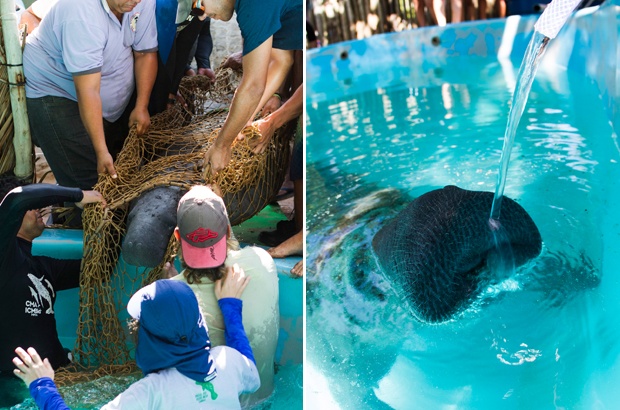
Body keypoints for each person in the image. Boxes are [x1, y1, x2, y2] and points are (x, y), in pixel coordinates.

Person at [12, 274, 260, 409]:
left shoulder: (150, 392)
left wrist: (42, 385)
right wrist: (230, 306)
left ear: (145, 340)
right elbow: (252, 371)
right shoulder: (229, 362)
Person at [22, 0, 158, 189]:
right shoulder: (80, 11)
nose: (137, 1)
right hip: (57, 91)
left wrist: (141, 106)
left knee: (108, 176)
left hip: (101, 98)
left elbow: (145, 54)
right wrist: (101, 151)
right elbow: (88, 90)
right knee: (87, 184)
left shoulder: (139, 1)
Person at [168, 185, 279, 406]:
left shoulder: (171, 299)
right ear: (228, 231)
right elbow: (232, 254)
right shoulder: (264, 262)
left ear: (177, 236)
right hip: (267, 400)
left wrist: (170, 284)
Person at [0, 176, 104, 405]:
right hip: (15, 388)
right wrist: (79, 195)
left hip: (61, 375)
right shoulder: (3, 258)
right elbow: (18, 197)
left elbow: (99, 268)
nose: (38, 208)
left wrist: (105, 219)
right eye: (31, 207)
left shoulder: (45, 266)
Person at [201, 0, 303, 174]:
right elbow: (281, 61)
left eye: (198, 5)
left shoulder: (253, 6)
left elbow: (253, 86)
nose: (202, 16)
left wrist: (221, 146)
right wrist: (245, 118)